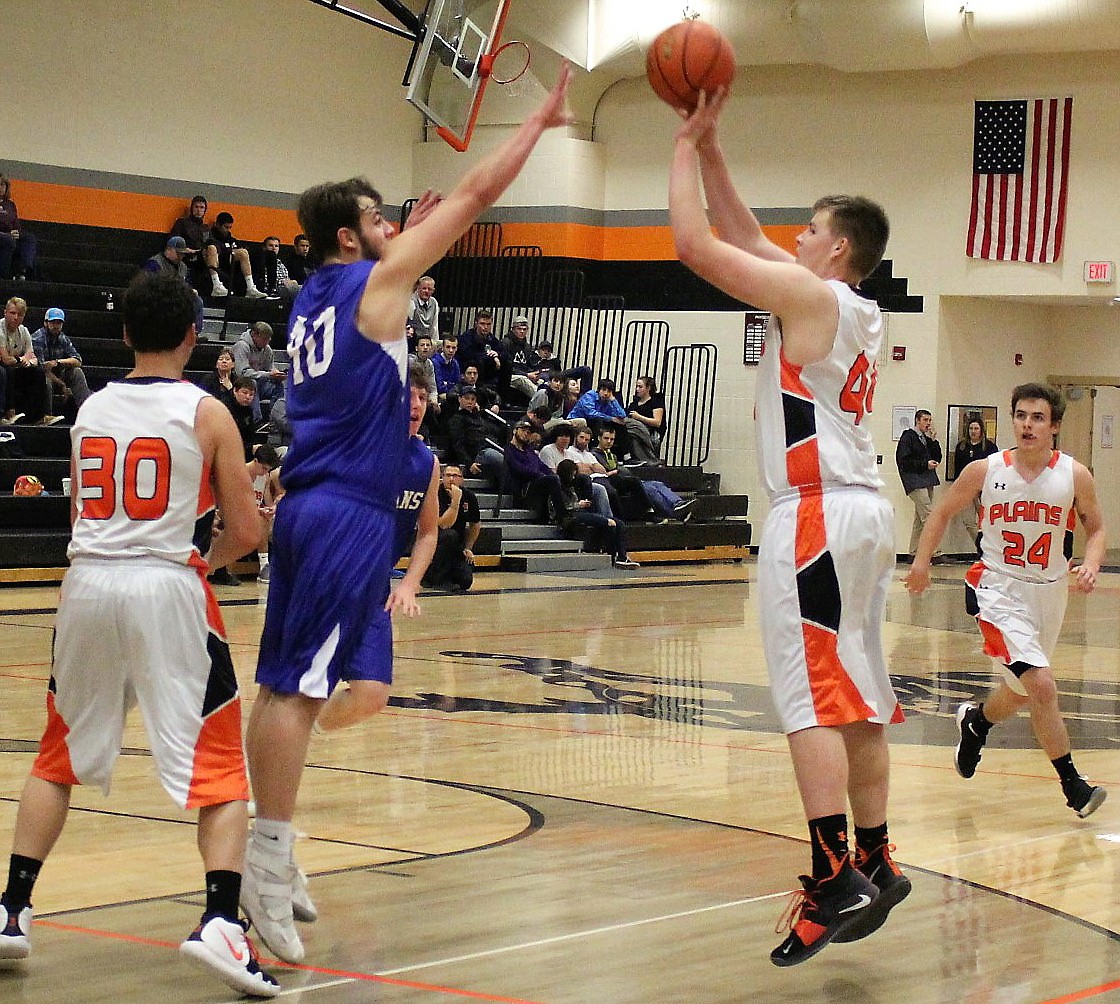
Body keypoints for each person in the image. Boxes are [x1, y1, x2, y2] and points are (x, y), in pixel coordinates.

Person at [240, 65, 573, 965]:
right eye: (382, 218)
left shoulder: (316, 294)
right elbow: (476, 190)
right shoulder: (375, 286)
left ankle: (270, 845)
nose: (398, 227)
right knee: (298, 693)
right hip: (345, 509)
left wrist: (405, 226)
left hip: (314, 502)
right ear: (353, 235)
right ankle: (261, 862)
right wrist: (538, 121)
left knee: (282, 686)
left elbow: (407, 232)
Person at [670, 90, 906, 966]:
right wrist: (714, 149)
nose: (795, 238)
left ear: (837, 247)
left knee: (807, 698)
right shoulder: (851, 308)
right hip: (866, 514)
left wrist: (680, 147)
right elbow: (745, 239)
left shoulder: (814, 301)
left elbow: (698, 245)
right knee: (859, 695)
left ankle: (832, 871)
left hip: (813, 515)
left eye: (809, 229)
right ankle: (878, 855)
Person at [0, 272, 278, 997]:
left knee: (56, 756)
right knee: (221, 765)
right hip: (164, 584)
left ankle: (11, 910)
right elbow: (246, 531)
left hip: (88, 582)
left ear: (124, 334)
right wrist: (203, 561)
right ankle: (221, 921)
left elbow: (76, 519)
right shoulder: (208, 411)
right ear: (193, 335)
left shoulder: (91, 408)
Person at [905, 383, 1107, 819]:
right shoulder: (986, 470)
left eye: (1037, 418)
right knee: (1042, 686)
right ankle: (1073, 785)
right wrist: (921, 562)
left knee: (1020, 692)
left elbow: (1098, 530)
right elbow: (940, 512)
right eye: (1020, 416)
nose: (1027, 425)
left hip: (1049, 590)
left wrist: (1090, 563)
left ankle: (976, 723)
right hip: (997, 586)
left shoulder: (1074, 475)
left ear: (1054, 426)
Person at [317, 363, 440, 730]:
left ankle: (309, 731)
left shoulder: (427, 464)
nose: (416, 404)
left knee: (371, 694)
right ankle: (280, 742)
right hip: (324, 581)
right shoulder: (354, 447)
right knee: (298, 688)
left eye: (423, 397)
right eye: (408, 396)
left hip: (373, 590)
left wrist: (409, 583)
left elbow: (428, 532)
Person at [552, 459, 639, 569]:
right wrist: (578, 504)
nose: (573, 478)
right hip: (569, 515)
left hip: (579, 512)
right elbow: (563, 507)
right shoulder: (557, 485)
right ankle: (613, 555)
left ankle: (622, 557)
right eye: (572, 475)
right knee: (608, 522)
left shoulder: (573, 485)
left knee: (619, 523)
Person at [594, 426, 691, 521]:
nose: (609, 441)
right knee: (650, 489)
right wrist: (616, 471)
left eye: (612, 439)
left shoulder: (612, 455)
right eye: (606, 438)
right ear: (599, 438)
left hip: (625, 479)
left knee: (658, 484)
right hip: (617, 483)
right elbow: (603, 473)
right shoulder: (594, 454)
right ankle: (674, 513)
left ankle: (678, 503)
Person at [423, 464, 480, 593]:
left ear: (462, 479)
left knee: (465, 581)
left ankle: (432, 577)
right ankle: (438, 580)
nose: (451, 479)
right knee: (450, 535)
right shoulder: (435, 495)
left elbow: (475, 524)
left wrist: (468, 547)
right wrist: (455, 502)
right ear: (442, 478)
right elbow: (443, 524)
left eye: (455, 476)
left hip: (456, 546)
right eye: (448, 475)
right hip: (434, 543)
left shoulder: (469, 496)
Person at [1, 297, 58, 426]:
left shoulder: (24, 331)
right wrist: (22, 359)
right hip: (4, 367)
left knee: (37, 372)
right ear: (5, 313)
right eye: (12, 313)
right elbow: (5, 358)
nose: (16, 318)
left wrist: (27, 361)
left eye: (20, 315)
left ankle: (38, 417)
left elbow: (33, 357)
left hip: (15, 366)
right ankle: (8, 414)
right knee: (6, 370)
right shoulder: (0, 329)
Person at [896, 409, 942, 558]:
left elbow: (937, 456)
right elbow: (904, 460)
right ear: (917, 420)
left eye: (929, 420)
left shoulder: (926, 439)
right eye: (925, 420)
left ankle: (914, 551)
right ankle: (934, 551)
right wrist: (924, 464)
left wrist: (934, 441)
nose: (928, 424)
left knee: (919, 517)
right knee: (928, 514)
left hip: (927, 479)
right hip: (914, 480)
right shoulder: (908, 437)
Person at [31, 308, 92, 421]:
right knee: (44, 379)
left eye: (59, 323)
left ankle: (87, 413)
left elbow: (78, 360)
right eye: (53, 322)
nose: (56, 325)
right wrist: (62, 384)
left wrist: (58, 362)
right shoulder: (37, 338)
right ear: (46, 323)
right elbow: (41, 368)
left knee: (77, 372)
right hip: (39, 377)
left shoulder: (63, 338)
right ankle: (45, 416)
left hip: (58, 374)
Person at [953, 418, 999, 548]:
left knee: (987, 520)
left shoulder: (990, 447)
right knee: (968, 520)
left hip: (984, 489)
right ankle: (981, 546)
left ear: (981, 430)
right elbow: (958, 470)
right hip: (966, 489)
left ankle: (991, 548)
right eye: (971, 429)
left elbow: (995, 469)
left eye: (976, 428)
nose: (973, 431)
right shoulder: (961, 447)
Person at [205, 212, 269, 299]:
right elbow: (209, 245)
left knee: (244, 252)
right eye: (225, 227)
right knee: (212, 248)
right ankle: (216, 286)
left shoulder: (230, 238)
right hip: (215, 257)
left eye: (230, 227)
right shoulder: (210, 235)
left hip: (228, 258)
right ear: (217, 225)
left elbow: (236, 247)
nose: (228, 230)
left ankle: (250, 288)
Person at [232, 322, 285, 418]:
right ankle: (257, 420)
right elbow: (242, 373)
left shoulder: (267, 349)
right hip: (240, 384)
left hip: (261, 383)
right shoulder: (242, 346)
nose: (267, 342)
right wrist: (268, 375)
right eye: (264, 339)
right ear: (254, 335)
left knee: (277, 386)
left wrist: (277, 375)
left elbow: (269, 369)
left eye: (268, 340)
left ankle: (275, 419)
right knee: (252, 383)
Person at [0, 176, 38, 280]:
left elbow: (16, 223)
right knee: (8, 241)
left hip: (10, 234)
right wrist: (6, 234)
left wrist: (17, 233)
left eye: (2, 185)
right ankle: (4, 276)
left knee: (29, 238)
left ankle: (24, 270)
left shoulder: (10, 205)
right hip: (2, 235)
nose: (0, 188)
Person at [625, 375, 666, 464]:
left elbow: (657, 422)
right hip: (633, 430)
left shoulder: (656, 402)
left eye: (640, 387)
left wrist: (639, 417)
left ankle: (648, 460)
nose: (637, 389)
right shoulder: (634, 404)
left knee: (633, 433)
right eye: (636, 386)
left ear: (648, 388)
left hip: (650, 431)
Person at [408, 275, 440, 341]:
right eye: (424, 288)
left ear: (433, 291)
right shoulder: (411, 301)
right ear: (418, 288)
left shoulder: (434, 302)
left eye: (429, 289)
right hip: (413, 340)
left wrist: (435, 343)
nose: (426, 291)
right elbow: (408, 323)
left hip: (427, 341)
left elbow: (434, 327)